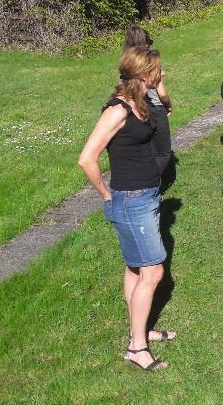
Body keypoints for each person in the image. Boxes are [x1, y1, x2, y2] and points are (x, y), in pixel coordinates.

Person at [78, 47, 173, 372]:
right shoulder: (117, 110)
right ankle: (136, 347)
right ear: (145, 74)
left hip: (145, 195)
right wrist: (105, 193)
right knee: (153, 272)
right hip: (131, 200)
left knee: (135, 268)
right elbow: (86, 158)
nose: (161, 75)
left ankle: (140, 329)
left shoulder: (139, 102)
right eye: (157, 71)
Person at [123, 26, 172, 174]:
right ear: (145, 42)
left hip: (133, 108)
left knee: (144, 148)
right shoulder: (150, 60)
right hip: (155, 108)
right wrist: (168, 105)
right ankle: (151, 184)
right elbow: (161, 92)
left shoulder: (126, 61)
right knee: (162, 152)